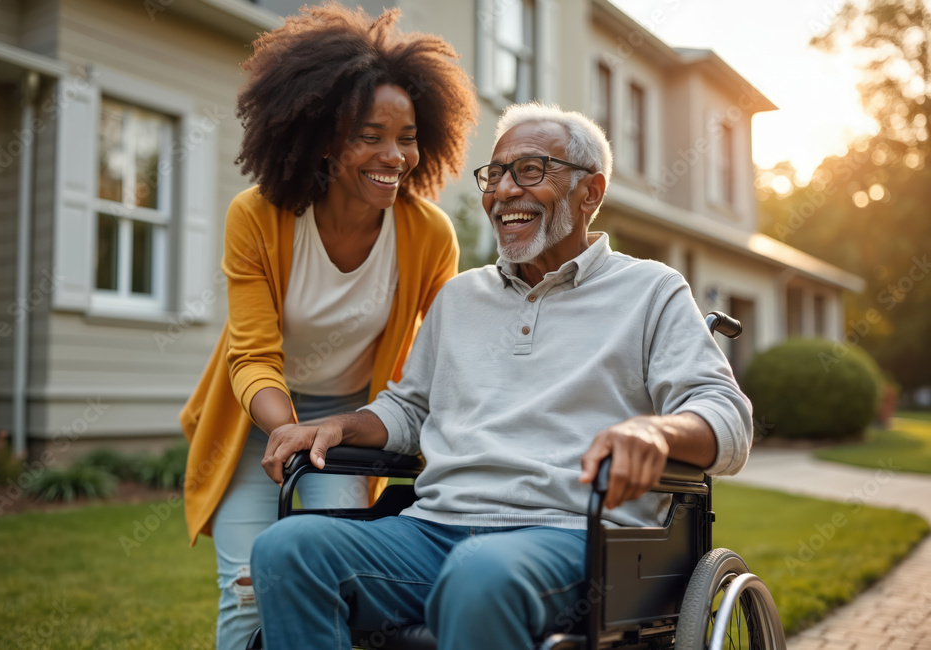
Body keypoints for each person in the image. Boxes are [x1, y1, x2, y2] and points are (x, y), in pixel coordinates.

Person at [249, 102, 754, 650]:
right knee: (287, 550)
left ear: (591, 192)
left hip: (574, 537)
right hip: (433, 529)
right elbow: (411, 410)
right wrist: (340, 427)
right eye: (495, 175)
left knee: (479, 573)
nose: (504, 191)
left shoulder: (652, 291)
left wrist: (655, 432)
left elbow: (726, 417)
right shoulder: (460, 297)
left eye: (531, 171)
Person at [177, 4, 478, 648]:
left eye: (407, 136)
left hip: (350, 422)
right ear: (321, 136)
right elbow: (252, 355)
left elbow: (447, 354)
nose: (394, 156)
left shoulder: (427, 236)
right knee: (246, 590)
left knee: (331, 580)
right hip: (257, 420)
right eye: (370, 134)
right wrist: (285, 429)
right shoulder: (257, 217)